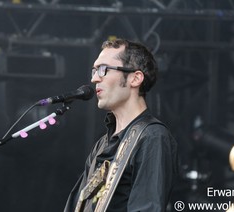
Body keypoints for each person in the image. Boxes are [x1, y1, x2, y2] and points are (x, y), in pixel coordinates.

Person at [64, 38, 178, 212]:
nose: (94, 79)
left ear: (135, 78)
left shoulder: (152, 137)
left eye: (103, 70)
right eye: (94, 71)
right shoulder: (102, 145)